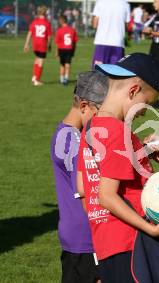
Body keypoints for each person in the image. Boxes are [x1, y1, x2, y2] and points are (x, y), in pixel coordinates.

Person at [76, 53, 159, 282]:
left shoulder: (91, 128)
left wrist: (143, 152)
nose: (146, 111)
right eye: (147, 103)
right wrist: (152, 230)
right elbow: (106, 196)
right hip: (132, 241)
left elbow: (86, 186)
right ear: (133, 91)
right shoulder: (118, 132)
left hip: (107, 241)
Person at [51, 71, 108, 283]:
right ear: (84, 106)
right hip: (87, 237)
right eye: (101, 112)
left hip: (77, 235)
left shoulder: (67, 133)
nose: (105, 120)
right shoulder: (73, 141)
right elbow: (88, 192)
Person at [91, 0, 130, 66]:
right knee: (116, 73)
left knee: (98, 73)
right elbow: (126, 26)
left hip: (102, 41)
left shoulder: (100, 2)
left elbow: (94, 24)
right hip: (118, 42)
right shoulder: (125, 3)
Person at [23, 5, 52, 86]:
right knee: (41, 62)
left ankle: (34, 77)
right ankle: (37, 80)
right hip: (42, 44)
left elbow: (29, 33)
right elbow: (49, 36)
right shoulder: (47, 23)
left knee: (37, 59)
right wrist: (49, 45)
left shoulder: (34, 22)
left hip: (35, 44)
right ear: (45, 13)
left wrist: (26, 44)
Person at [55, 15, 78, 86]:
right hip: (69, 49)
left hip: (61, 49)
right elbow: (75, 41)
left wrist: (56, 53)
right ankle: (66, 79)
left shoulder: (59, 30)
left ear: (61, 21)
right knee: (67, 64)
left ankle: (62, 79)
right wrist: (74, 51)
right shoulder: (72, 29)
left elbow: (57, 43)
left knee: (62, 65)